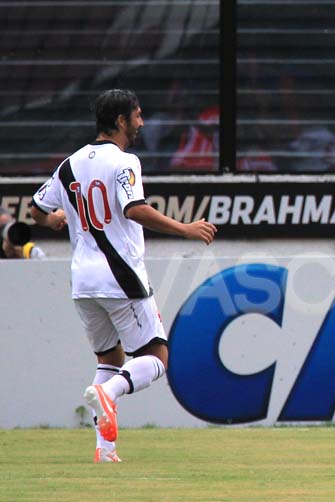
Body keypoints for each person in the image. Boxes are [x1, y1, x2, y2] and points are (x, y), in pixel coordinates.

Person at [30, 89, 217, 463]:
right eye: (138, 115)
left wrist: (53, 220)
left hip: (83, 283)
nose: (141, 123)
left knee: (109, 359)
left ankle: (105, 449)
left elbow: (36, 209)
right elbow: (135, 209)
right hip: (120, 276)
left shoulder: (69, 165)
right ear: (120, 120)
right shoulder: (124, 162)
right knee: (157, 355)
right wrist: (185, 229)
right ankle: (109, 393)